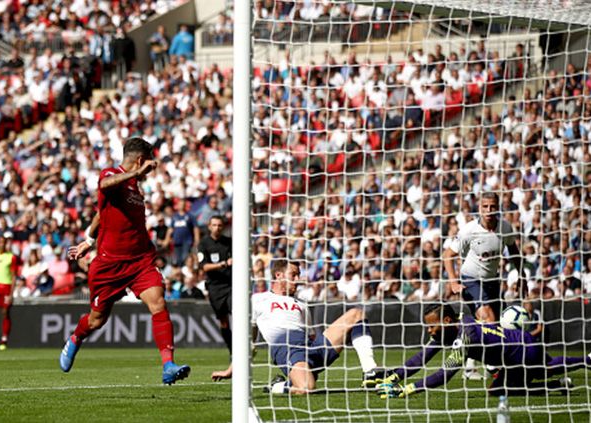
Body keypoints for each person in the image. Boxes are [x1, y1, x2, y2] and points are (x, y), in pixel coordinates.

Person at [60, 137, 190, 385]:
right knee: (97, 320)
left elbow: (102, 213)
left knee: (158, 303)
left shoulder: (134, 187)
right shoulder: (112, 174)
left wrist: (88, 239)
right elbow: (105, 186)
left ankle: (168, 365)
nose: (149, 170)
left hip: (141, 260)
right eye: (148, 164)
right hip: (110, 264)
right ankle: (76, 337)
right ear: (140, 160)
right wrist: (90, 243)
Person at [212, 260, 382, 394]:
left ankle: (370, 371)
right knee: (307, 388)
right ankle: (278, 387)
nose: (297, 279)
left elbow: (312, 335)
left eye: (298, 275)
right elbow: (250, 343)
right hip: (287, 347)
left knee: (356, 314)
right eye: (293, 275)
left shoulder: (302, 305)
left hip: (311, 347)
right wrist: (230, 370)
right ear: (278, 275)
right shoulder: (257, 300)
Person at [375, 304, 591, 398]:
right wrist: (394, 377)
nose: (429, 331)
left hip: (523, 350)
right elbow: (422, 357)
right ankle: (563, 380)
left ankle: (585, 362)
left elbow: (445, 374)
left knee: (542, 371)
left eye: (431, 325)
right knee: (503, 389)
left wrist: (408, 389)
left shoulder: (466, 336)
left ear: (447, 320)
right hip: (515, 350)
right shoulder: (450, 329)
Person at [444, 192, 522, 379]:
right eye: (485, 206)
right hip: (470, 280)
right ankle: (492, 364)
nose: (489, 210)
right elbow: (448, 255)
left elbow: (514, 251)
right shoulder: (469, 230)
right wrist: (453, 281)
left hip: (492, 281)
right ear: (479, 208)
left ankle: (471, 366)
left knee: (492, 326)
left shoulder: (505, 227)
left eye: (492, 206)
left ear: (498, 207)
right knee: (489, 318)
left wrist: (522, 275)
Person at [198, 215, 233, 361]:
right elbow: (204, 266)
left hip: (231, 285)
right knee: (224, 321)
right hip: (215, 287)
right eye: (214, 225)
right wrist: (224, 264)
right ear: (209, 226)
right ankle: (232, 350)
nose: (217, 228)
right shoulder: (203, 244)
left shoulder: (229, 242)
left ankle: (242, 349)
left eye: (219, 225)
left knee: (237, 315)